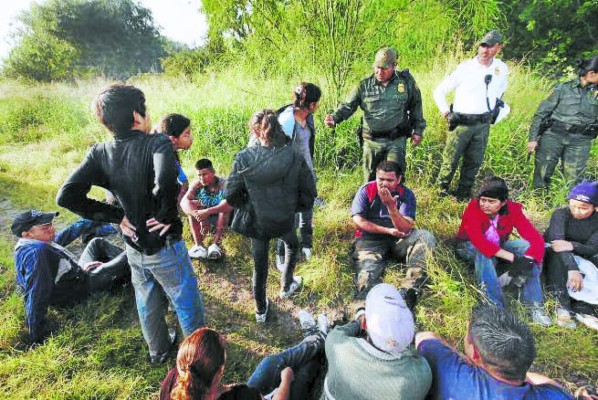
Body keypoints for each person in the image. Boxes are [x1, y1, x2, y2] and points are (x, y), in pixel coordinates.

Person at [56, 84, 205, 363]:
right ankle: (199, 361)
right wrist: (166, 216)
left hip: (133, 245)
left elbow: (67, 196)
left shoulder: (99, 152)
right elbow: (165, 180)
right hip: (165, 246)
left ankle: (158, 351)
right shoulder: (157, 143)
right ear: (138, 115)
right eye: (145, 109)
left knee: (146, 298)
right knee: (185, 299)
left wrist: (116, 217)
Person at [226, 109, 316, 323]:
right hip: (285, 218)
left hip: (258, 222)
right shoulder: (294, 155)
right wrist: (292, 208)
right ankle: (287, 285)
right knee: (292, 244)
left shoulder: (245, 157)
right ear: (279, 131)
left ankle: (260, 310)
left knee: (260, 266)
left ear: (258, 133)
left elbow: (230, 195)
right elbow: (309, 193)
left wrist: (250, 207)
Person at [12, 210, 129, 345]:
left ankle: (131, 269)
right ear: (26, 234)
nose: (52, 229)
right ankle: (139, 268)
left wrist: (81, 269)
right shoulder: (37, 253)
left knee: (96, 243)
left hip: (78, 274)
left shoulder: (31, 244)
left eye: (51, 224)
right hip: (79, 290)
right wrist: (36, 337)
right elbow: (37, 293)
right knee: (130, 254)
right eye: (45, 228)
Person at [416, 303, 573, 400]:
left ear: (475, 354)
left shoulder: (452, 372)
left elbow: (424, 337)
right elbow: (553, 386)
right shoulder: (556, 396)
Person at [161, 310, 328, 400]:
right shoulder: (242, 396)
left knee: (270, 363)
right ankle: (321, 342)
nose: (225, 338)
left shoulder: (173, 384)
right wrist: (285, 381)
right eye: (224, 345)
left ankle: (315, 339)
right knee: (302, 371)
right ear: (218, 373)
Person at [455, 176, 552, 326]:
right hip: (469, 246)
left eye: (491, 202)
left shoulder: (513, 209)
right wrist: (514, 259)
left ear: (503, 202)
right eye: (483, 200)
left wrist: (527, 261)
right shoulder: (473, 208)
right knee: (484, 254)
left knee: (529, 246)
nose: (485, 205)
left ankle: (533, 305)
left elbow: (535, 238)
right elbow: (480, 243)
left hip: (499, 247)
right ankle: (494, 306)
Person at [324, 46, 426, 182]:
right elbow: (348, 106)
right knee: (371, 181)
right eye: (377, 67)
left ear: (394, 66)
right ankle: (371, 203)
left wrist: (418, 130)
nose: (379, 71)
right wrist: (334, 118)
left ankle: (395, 203)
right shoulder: (364, 85)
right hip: (371, 142)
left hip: (395, 140)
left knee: (394, 178)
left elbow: (416, 106)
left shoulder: (406, 83)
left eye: (384, 68)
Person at [321, 283, 432, 400]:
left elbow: (341, 331)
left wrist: (360, 317)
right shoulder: (420, 378)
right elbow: (415, 356)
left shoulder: (337, 345)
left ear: (364, 324)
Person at [433, 30, 508, 201]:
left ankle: (463, 195)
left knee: (473, 162)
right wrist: (446, 112)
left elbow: (501, 90)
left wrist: (494, 109)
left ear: (499, 47)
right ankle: (439, 193)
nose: (485, 50)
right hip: (461, 123)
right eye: (482, 46)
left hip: (482, 124)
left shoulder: (501, 68)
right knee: (450, 161)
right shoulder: (465, 68)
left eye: (490, 47)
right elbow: (439, 91)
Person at [350, 160, 436, 301]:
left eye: (390, 180)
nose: (384, 184)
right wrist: (387, 230)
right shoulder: (366, 190)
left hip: (398, 239)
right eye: (381, 179)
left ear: (399, 179)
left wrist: (391, 208)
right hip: (370, 240)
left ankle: (410, 291)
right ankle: (366, 303)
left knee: (425, 237)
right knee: (367, 273)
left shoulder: (406, 194)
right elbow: (359, 222)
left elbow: (406, 228)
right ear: (376, 177)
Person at [528, 56, 598, 190]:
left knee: (575, 178)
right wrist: (532, 139)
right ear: (591, 74)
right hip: (553, 136)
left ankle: (571, 207)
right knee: (543, 171)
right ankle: (538, 203)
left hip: (581, 141)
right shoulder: (563, 89)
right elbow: (541, 114)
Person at [275, 82, 322, 265]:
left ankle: (306, 246)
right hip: (289, 178)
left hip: (307, 174)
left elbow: (307, 148)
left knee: (307, 213)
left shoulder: (308, 118)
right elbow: (277, 152)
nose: (318, 106)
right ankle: (281, 255)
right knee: (289, 219)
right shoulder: (287, 121)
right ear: (311, 104)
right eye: (317, 102)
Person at [544, 181, 598, 330]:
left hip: (581, 256)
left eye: (583, 208)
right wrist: (572, 268)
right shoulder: (561, 214)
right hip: (552, 255)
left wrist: (573, 245)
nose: (577, 211)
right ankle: (561, 306)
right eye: (573, 205)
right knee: (557, 253)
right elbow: (557, 242)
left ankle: (584, 307)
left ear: (595, 207)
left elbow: (592, 248)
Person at [180, 158, 230, 260]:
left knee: (223, 206)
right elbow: (183, 202)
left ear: (213, 172)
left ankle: (215, 245)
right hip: (204, 218)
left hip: (221, 218)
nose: (202, 178)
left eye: (205, 174)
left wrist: (207, 212)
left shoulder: (224, 184)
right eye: (199, 175)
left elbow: (229, 204)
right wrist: (199, 217)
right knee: (192, 204)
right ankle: (199, 246)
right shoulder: (197, 184)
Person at [153, 113, 194, 203]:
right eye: (187, 134)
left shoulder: (170, 153)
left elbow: (183, 180)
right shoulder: (162, 161)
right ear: (173, 140)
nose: (191, 138)